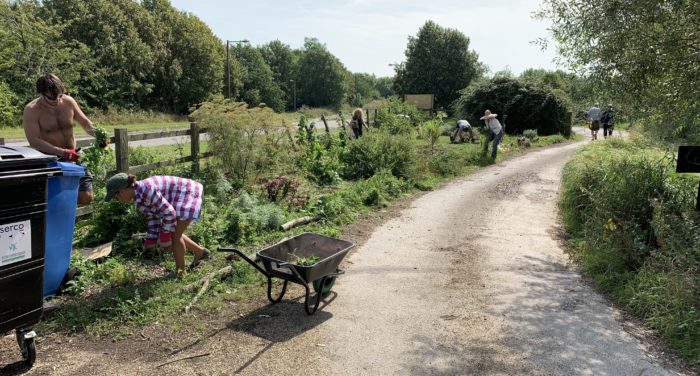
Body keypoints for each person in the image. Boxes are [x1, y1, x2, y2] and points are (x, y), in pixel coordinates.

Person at [104, 173, 211, 278]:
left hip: (187, 193)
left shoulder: (147, 190)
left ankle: (181, 272)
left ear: (122, 191)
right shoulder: (138, 198)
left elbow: (169, 213)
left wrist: (164, 237)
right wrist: (151, 240)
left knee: (175, 236)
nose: (116, 199)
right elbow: (153, 217)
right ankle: (200, 252)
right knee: (174, 231)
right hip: (178, 196)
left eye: (115, 197)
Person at [23, 73, 104, 205]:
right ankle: (63, 220)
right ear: (42, 93)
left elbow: (85, 123)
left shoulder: (68, 101)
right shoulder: (32, 110)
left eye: (60, 95)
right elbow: (34, 140)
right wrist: (63, 153)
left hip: (75, 155)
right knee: (58, 198)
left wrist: (100, 136)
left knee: (86, 197)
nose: (57, 100)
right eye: (51, 98)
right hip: (51, 159)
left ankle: (66, 211)